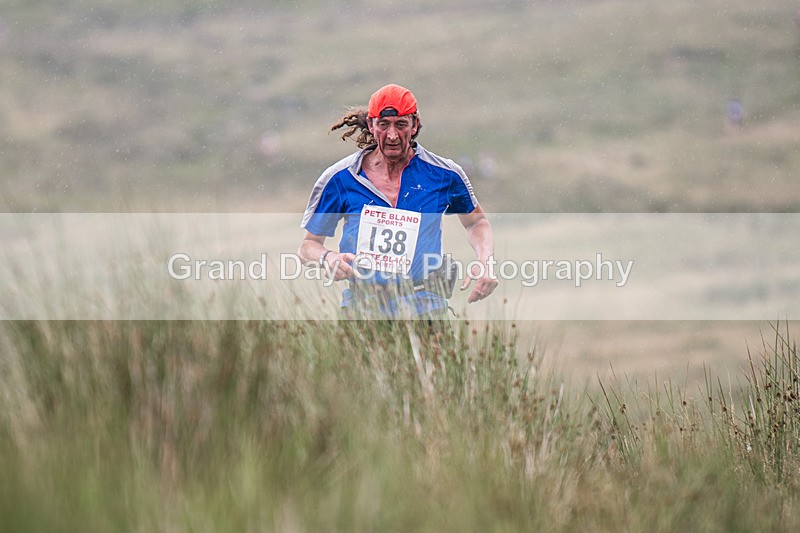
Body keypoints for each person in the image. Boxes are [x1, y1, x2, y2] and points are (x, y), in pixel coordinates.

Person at [298, 84, 498, 318]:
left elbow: (476, 222)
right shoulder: (340, 178)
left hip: (425, 307)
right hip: (363, 308)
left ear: (414, 125)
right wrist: (327, 258)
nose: (392, 135)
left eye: (401, 124)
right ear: (372, 126)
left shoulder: (444, 174)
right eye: (384, 125)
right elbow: (307, 246)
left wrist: (485, 262)